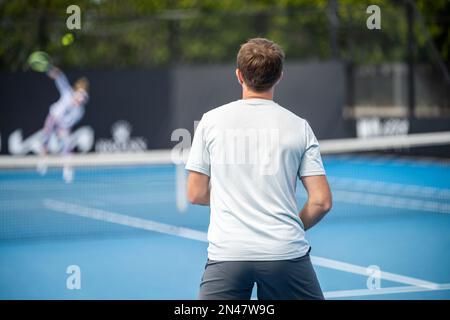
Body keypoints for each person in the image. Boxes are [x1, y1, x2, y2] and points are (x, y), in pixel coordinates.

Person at [185, 38, 332, 300]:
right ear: (280, 77)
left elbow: (195, 193)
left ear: (239, 75)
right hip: (285, 252)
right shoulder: (299, 126)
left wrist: (235, 197)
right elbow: (321, 202)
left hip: (228, 255)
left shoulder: (210, 122)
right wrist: (289, 227)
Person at [37, 66, 89, 183]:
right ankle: (42, 163)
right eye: (79, 98)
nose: (79, 101)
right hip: (53, 117)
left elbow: (67, 124)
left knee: (67, 146)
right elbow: (59, 77)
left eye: (82, 100)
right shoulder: (67, 92)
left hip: (62, 125)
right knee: (45, 140)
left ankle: (67, 171)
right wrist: (54, 71)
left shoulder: (79, 111)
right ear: (75, 95)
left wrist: (62, 132)